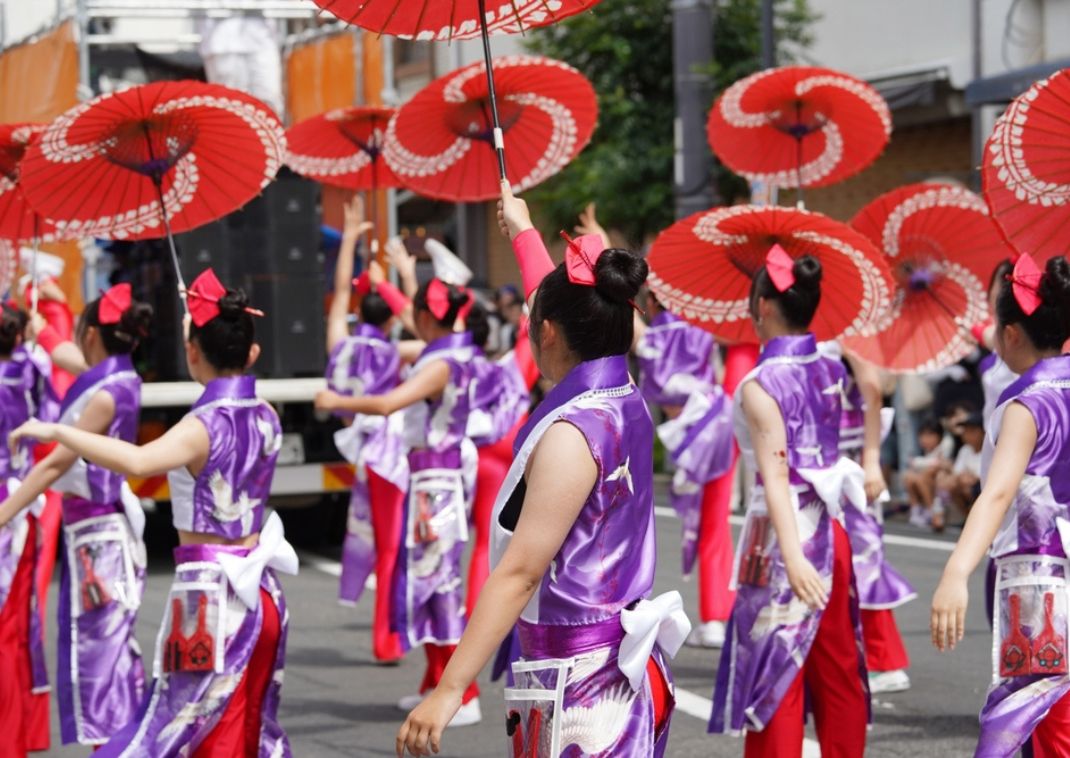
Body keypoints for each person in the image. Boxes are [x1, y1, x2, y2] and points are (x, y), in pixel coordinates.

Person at [394, 182, 690, 758]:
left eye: (536, 321)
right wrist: (522, 227)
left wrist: (449, 688)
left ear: (547, 333)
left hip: (582, 680)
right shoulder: (624, 398)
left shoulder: (573, 431)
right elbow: (556, 301)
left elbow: (522, 572)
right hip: (608, 665)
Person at [11, 269, 298, 755]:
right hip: (266, 597)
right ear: (252, 353)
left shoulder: (200, 426)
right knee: (248, 730)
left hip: (211, 601)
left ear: (191, 352)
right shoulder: (266, 414)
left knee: (191, 735)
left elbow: (137, 460)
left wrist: (59, 432)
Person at [709, 246, 869, 757]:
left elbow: (775, 476)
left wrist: (794, 555)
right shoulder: (831, 369)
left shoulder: (760, 384)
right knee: (840, 670)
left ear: (763, 306)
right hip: (833, 529)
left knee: (776, 674)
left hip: (784, 541)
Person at [316, 273, 484, 728]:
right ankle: (436, 682)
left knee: (438, 586)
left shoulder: (442, 361)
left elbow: (391, 403)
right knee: (427, 585)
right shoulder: (450, 350)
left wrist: (337, 399)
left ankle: (463, 693)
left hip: (436, 482)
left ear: (430, 317)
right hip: (430, 478)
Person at [931, 253, 1070, 757]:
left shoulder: (1026, 401)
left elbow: (997, 492)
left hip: (1040, 575)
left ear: (1012, 333)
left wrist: (955, 570)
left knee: (1039, 714)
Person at [0, 284, 150, 748]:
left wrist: (4, 512)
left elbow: (54, 463)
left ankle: (113, 750)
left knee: (98, 662)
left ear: (90, 334)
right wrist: (44, 331)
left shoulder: (104, 395)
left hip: (98, 540)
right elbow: (72, 362)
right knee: (107, 656)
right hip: (102, 532)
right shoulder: (120, 378)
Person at [325, 199, 409, 664]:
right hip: (392, 452)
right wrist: (400, 279)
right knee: (393, 547)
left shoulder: (342, 341)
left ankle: (389, 635)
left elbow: (338, 296)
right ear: (390, 319)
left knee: (379, 540)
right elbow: (428, 326)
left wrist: (352, 242)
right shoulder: (399, 351)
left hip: (361, 448)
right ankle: (387, 638)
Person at [635, 292, 734, 647]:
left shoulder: (653, 334)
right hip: (718, 419)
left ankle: (715, 618)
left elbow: (637, 337)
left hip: (688, 431)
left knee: (705, 525)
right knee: (715, 523)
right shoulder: (704, 327)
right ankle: (719, 614)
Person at [825, 343, 914, 694]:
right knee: (838, 561)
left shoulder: (847, 327)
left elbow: (874, 391)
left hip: (851, 458)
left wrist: (872, 460)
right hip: (826, 453)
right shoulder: (823, 323)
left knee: (864, 560)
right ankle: (858, 655)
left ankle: (884, 660)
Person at [0, 304, 56, 753]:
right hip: (21, 514)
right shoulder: (32, 367)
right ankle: (19, 735)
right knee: (16, 629)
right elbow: (51, 421)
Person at [902, 417, 950, 530]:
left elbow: (936, 464)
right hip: (930, 488)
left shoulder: (947, 445)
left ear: (939, 436)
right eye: (922, 435)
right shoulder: (925, 451)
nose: (925, 439)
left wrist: (917, 463)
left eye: (930, 435)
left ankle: (932, 513)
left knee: (922, 476)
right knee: (908, 476)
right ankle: (916, 511)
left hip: (943, 493)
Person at [935, 411, 984, 519]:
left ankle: (976, 518)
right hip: (965, 484)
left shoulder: (989, 451)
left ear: (983, 432)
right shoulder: (965, 449)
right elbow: (957, 472)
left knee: (963, 484)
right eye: (965, 431)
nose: (966, 435)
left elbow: (980, 477)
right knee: (946, 478)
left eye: (972, 431)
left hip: (982, 488)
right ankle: (967, 517)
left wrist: (965, 478)